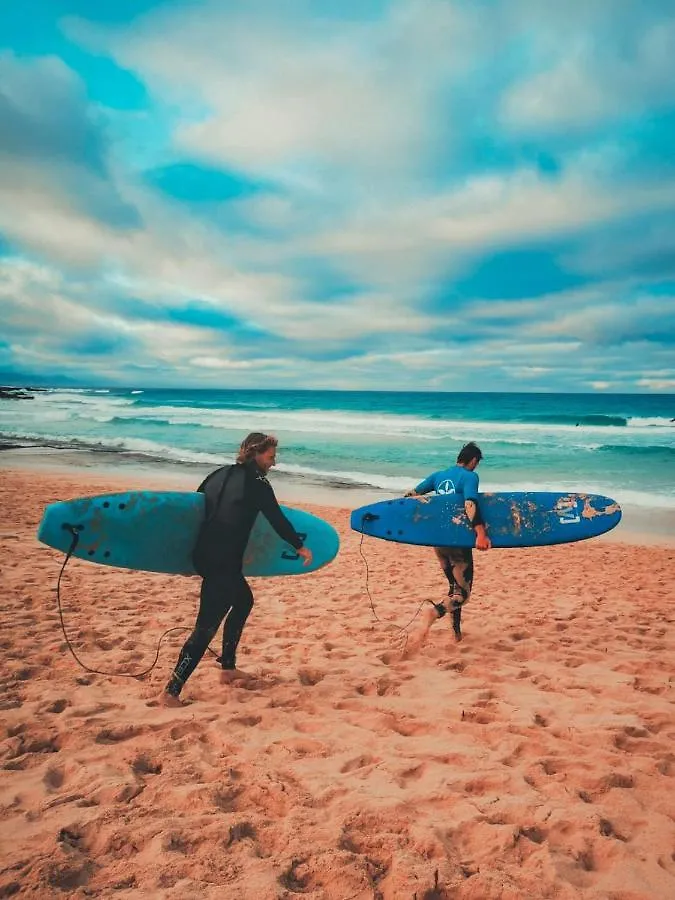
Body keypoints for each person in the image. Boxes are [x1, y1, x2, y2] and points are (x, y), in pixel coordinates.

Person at [161, 433, 312, 706]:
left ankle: (228, 668)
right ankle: (171, 691)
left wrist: (185, 560)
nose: (274, 463)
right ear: (256, 454)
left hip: (205, 556)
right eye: (271, 456)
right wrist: (299, 547)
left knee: (244, 601)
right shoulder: (258, 484)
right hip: (224, 562)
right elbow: (277, 519)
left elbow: (194, 513)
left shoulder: (218, 474)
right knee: (205, 628)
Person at [405, 442, 491, 642]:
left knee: (453, 588)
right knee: (463, 595)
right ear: (473, 461)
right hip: (456, 541)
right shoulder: (470, 477)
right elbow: (470, 504)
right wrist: (480, 534)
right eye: (476, 463)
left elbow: (411, 496)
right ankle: (434, 612)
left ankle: (456, 634)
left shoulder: (437, 476)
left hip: (438, 541)